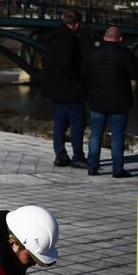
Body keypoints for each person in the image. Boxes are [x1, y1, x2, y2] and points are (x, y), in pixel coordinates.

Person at [83, 25, 138, 178]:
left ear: (104, 37)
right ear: (120, 39)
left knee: (95, 134)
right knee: (117, 136)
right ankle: (117, 169)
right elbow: (136, 73)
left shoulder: (92, 53)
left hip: (97, 100)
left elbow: (84, 73)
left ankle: (92, 166)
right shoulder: (125, 54)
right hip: (119, 101)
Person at [43, 10, 87, 169]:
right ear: (76, 25)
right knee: (78, 123)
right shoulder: (70, 40)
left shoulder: (53, 38)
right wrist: (78, 82)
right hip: (70, 90)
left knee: (60, 125)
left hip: (55, 89)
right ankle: (78, 157)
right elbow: (68, 65)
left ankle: (61, 156)